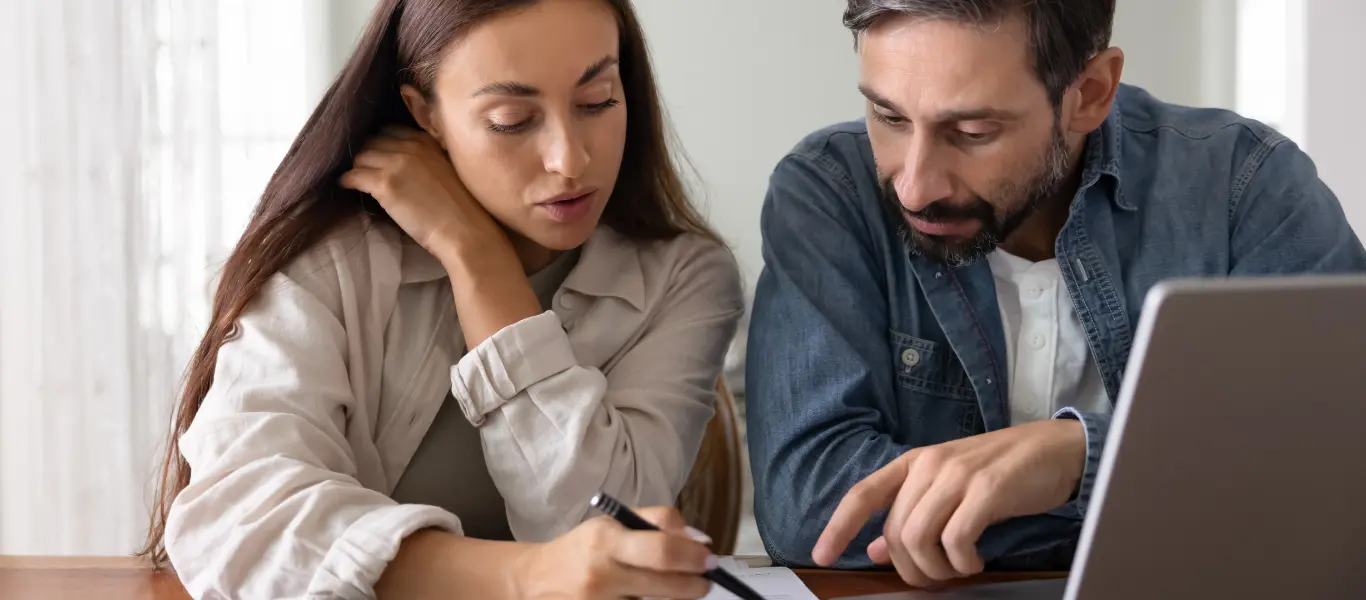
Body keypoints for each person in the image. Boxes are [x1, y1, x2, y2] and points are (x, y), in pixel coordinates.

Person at [745, 0, 1366, 588]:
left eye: (972, 131)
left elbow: (1337, 474)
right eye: (889, 117)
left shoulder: (1247, 187)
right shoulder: (830, 191)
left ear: (1090, 92)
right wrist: (1160, 495)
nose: (914, 186)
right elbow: (812, 510)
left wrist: (1079, 459)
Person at [137, 0, 744, 598]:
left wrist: (479, 261)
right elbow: (241, 520)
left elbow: (607, 532)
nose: (570, 159)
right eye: (511, 119)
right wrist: (524, 578)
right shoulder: (328, 265)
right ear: (424, 113)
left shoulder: (684, 277)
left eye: (597, 101)